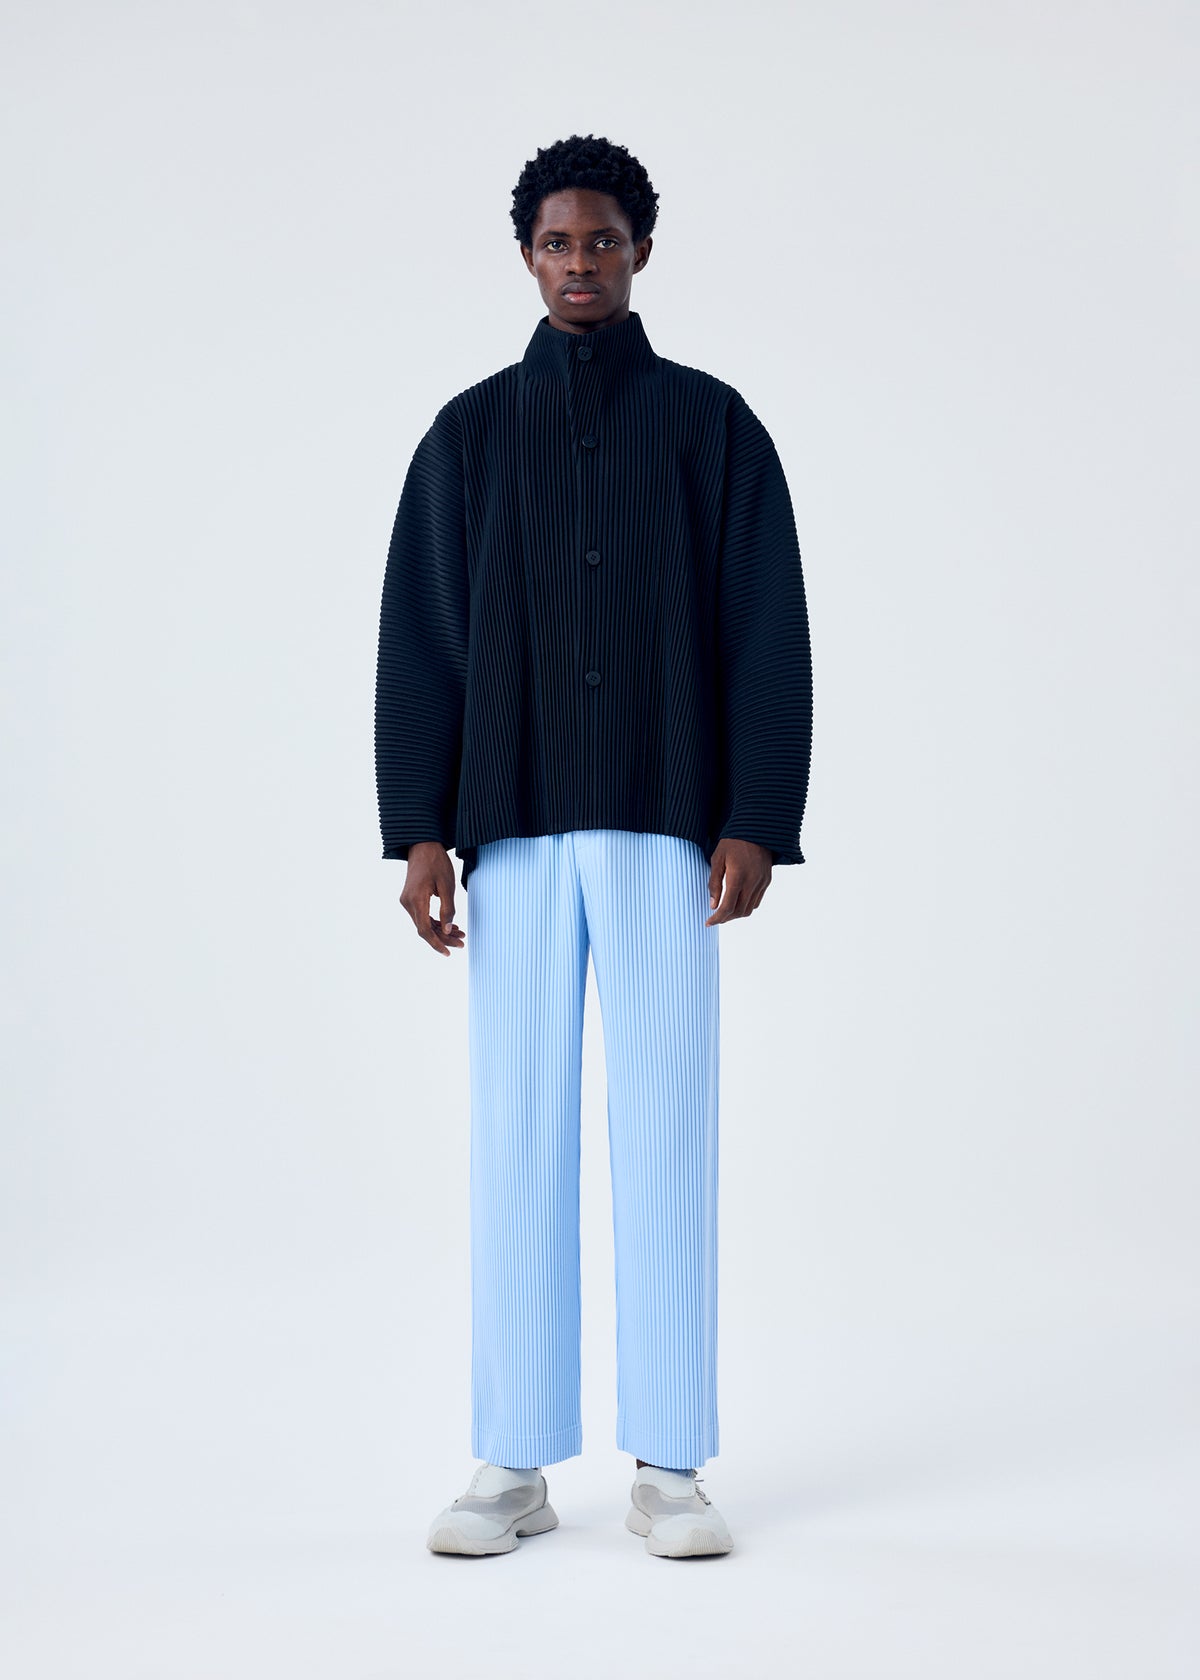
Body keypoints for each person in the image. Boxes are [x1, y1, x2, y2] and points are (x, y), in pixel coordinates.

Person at [374, 133, 812, 1559]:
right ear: (526, 256)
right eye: (557, 243)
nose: (580, 263)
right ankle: (512, 1462)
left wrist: (755, 815)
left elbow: (765, 624)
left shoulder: (710, 425)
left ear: (641, 251)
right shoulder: (467, 434)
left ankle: (671, 1465)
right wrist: (419, 830)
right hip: (507, 825)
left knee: (666, 1124)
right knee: (517, 1130)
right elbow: (423, 637)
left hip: (662, 823)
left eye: (603, 240)